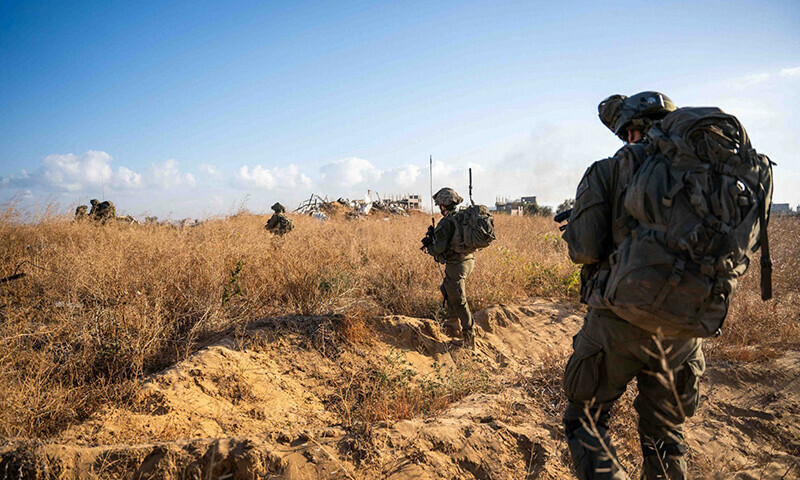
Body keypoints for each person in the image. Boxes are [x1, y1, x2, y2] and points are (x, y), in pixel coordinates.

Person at [561, 91, 705, 479]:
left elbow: (584, 250)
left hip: (618, 321)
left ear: (630, 131)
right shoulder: (701, 175)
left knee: (583, 419)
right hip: (683, 327)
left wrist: (576, 225)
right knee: (664, 433)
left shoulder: (608, 171)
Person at [423, 187, 475, 350]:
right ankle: (453, 323)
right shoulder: (461, 217)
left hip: (456, 265)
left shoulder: (446, 222)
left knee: (459, 301)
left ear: (443, 206)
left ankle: (469, 340)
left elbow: (439, 248)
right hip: (468, 260)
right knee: (446, 288)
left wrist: (430, 247)